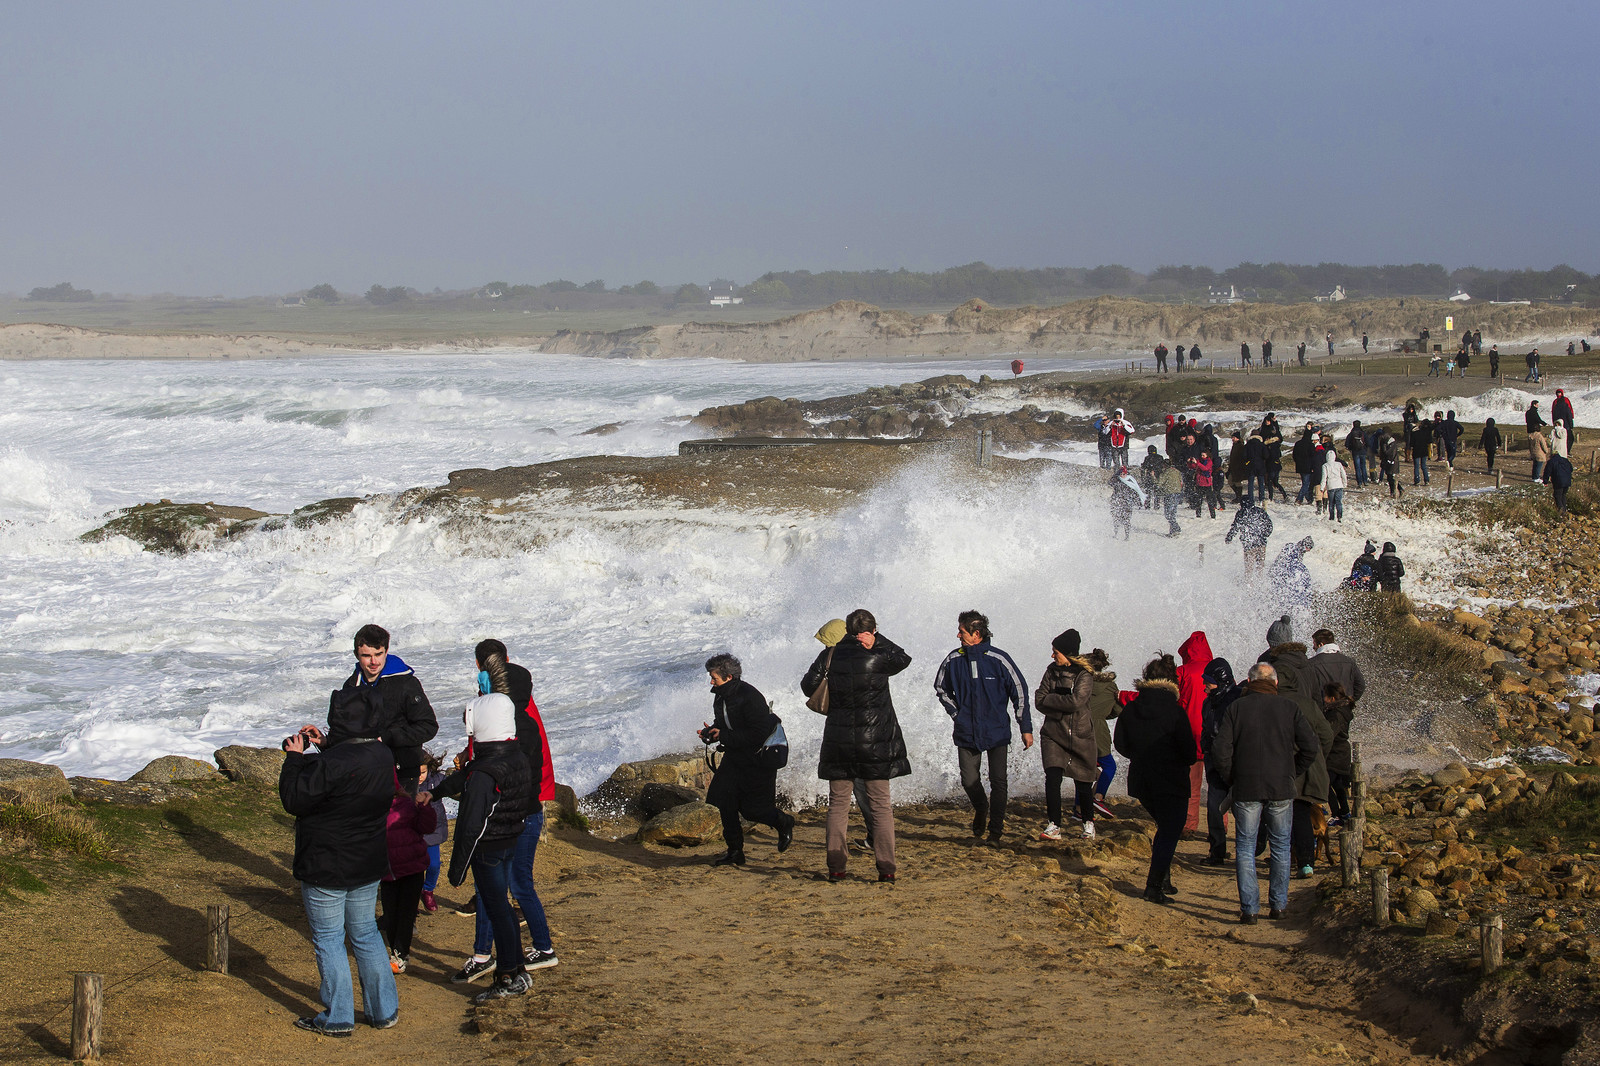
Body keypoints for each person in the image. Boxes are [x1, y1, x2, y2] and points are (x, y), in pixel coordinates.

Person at [278, 687, 400, 1036]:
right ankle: (383, 1011)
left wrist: (295, 757)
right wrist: (328, 743)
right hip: (367, 860)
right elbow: (351, 763)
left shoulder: (332, 764)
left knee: (330, 938)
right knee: (364, 933)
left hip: (326, 863)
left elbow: (294, 798)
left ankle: (338, 1017)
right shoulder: (381, 755)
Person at [449, 641, 560, 973]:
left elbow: (502, 768)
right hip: (519, 811)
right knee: (494, 886)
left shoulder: (514, 725)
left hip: (512, 815)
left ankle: (532, 950)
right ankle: (486, 954)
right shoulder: (520, 716)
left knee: (512, 884)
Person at [430, 681, 535, 1003]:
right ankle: (517, 968)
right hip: (509, 840)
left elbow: (470, 826)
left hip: (487, 849)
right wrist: (433, 793)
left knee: (498, 910)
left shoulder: (484, 774)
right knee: (503, 908)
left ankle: (508, 975)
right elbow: (470, 773)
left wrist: (456, 871)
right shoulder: (513, 756)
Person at [803, 609, 912, 882]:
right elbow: (903, 658)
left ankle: (836, 868)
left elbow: (808, 686)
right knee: (880, 806)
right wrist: (878, 640)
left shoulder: (830, 654)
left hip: (838, 742)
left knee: (838, 805)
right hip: (874, 743)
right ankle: (886, 870)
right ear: (871, 630)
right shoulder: (879, 656)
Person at [1207, 662, 1318, 923]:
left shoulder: (1236, 708)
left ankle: (1250, 910)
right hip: (1281, 785)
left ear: (1249, 680)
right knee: (1280, 845)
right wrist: (1292, 771)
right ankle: (1278, 905)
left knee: (1245, 847)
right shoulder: (1289, 708)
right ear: (1275, 683)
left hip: (1246, 786)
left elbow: (1220, 751)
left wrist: (1233, 777)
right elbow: (1310, 747)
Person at [934, 611, 1034, 843]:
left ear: (976, 634)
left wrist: (1025, 727)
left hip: (997, 730)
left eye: (962, 631)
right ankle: (981, 807)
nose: (957, 634)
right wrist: (957, 714)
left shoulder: (999, 659)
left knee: (999, 782)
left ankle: (995, 832)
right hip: (966, 731)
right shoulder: (953, 659)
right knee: (969, 780)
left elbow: (1019, 692)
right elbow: (940, 688)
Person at [1113, 654, 1196, 905]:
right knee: (1170, 829)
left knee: (1165, 828)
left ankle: (1164, 879)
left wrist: (1140, 756)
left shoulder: (1132, 708)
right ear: (1172, 682)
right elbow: (1190, 753)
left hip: (1142, 779)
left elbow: (1120, 744)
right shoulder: (1175, 711)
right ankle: (1153, 886)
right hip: (1171, 781)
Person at [702, 653, 793, 867]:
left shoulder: (749, 696)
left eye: (714, 677)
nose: (711, 681)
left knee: (754, 810)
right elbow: (724, 722)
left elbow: (758, 734)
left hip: (758, 760)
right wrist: (712, 731)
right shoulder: (721, 694)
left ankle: (783, 822)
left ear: (729, 677)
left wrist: (722, 736)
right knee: (722, 800)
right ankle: (735, 851)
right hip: (735, 757)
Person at [343, 624, 438, 792]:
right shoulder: (351, 686)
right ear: (356, 655)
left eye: (378, 654)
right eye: (366, 656)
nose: (373, 662)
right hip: (363, 769)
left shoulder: (406, 683)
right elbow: (346, 729)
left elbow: (428, 726)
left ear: (386, 651)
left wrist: (386, 737)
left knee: (398, 819)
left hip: (403, 772)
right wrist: (325, 741)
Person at [1033, 629, 1098, 841]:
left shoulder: (1084, 675)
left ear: (1068, 654)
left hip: (1080, 735)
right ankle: (1054, 825)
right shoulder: (1050, 672)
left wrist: (1054, 701)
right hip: (1053, 734)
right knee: (1052, 778)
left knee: (1083, 782)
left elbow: (1077, 702)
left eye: (1056, 652)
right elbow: (1039, 700)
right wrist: (1062, 704)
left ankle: (1088, 823)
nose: (1053, 656)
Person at [380, 770, 438, 974]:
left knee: (406, 914)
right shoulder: (371, 809)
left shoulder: (407, 805)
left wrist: (425, 808)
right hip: (387, 873)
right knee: (389, 915)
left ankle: (400, 954)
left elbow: (428, 827)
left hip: (412, 870)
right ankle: (395, 949)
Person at [1199, 657, 1242, 866]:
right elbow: (1207, 728)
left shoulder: (1238, 699)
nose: (1205, 685)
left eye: (1209, 681)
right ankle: (1217, 851)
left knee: (1244, 807)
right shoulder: (1210, 701)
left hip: (1237, 760)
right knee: (1215, 806)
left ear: (1221, 680)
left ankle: (1248, 849)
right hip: (1215, 760)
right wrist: (1206, 747)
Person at [1175, 631, 1214, 833]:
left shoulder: (1182, 671)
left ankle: (1189, 825)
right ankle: (1220, 828)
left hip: (1190, 734)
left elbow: (1171, 699)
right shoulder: (1217, 670)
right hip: (1214, 734)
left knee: (1192, 785)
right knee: (1218, 787)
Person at [1085, 647, 1121, 818]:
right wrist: (1102, 714)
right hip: (1098, 732)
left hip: (1077, 728)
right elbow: (1118, 710)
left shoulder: (1081, 682)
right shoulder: (1110, 686)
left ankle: (1079, 809)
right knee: (1109, 766)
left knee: (1083, 772)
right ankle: (1098, 798)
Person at [1319, 683, 1356, 826]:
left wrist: (1320, 750)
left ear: (1332, 698)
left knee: (1326, 783)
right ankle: (1345, 811)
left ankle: (1336, 814)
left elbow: (1329, 735)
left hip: (1335, 753)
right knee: (1337, 783)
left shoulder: (1335, 713)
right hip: (1341, 752)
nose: (1324, 699)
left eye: (1325, 696)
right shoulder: (1342, 709)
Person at [418, 755, 448, 915]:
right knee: (414, 869)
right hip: (413, 834)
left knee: (434, 864)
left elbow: (452, 784)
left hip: (432, 832)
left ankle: (428, 890)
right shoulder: (405, 783)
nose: (419, 777)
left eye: (422, 772)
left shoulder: (436, 780)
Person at [1225, 496, 1273, 574]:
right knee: (1260, 566)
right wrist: (1264, 535)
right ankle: (1260, 583)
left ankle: (1249, 584)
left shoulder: (1241, 513)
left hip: (1249, 545)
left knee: (1249, 569)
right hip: (1262, 544)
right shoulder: (1260, 511)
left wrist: (1229, 537)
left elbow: (1235, 527)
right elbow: (1269, 525)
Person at [1269, 536, 1315, 609]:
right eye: (1308, 548)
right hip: (1279, 574)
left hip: (1281, 574)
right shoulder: (1292, 548)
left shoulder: (1298, 550)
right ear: (1305, 545)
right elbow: (1284, 563)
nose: (1308, 550)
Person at [1109, 466, 1143, 539]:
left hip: (1127, 503)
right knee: (1116, 519)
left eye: (1124, 474)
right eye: (1120, 474)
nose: (1122, 475)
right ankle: (1116, 533)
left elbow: (1136, 492)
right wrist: (1116, 474)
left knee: (1126, 520)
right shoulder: (1117, 480)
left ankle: (1127, 535)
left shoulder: (1130, 482)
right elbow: (1110, 482)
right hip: (1117, 502)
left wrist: (1139, 502)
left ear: (1126, 474)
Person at [1155, 454, 1183, 536]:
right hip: (1177, 493)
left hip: (1169, 493)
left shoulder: (1165, 473)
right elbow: (1181, 482)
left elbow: (1158, 484)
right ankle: (1172, 532)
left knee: (1167, 514)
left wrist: (1153, 476)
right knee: (1173, 513)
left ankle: (1176, 528)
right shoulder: (1177, 471)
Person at [1545, 449, 1575, 519]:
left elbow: (1547, 472)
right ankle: (1564, 509)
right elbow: (1571, 469)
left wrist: (1545, 481)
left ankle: (1561, 511)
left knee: (1557, 495)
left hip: (1558, 481)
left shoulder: (1551, 462)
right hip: (1567, 481)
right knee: (1563, 495)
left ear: (1552, 455)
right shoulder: (1565, 460)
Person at [1293, 427, 1318, 504]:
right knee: (1306, 484)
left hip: (1300, 466)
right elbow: (1313, 457)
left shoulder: (1297, 443)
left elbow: (1294, 455)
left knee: (1305, 483)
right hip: (1308, 467)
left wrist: (1297, 462)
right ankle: (1299, 499)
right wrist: (1314, 467)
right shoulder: (1310, 445)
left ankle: (1309, 499)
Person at [1322, 445, 1348, 523]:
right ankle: (1339, 516)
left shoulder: (1325, 466)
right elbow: (1343, 474)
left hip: (1331, 486)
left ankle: (1332, 517)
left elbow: (1324, 477)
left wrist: (1322, 487)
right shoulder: (1339, 464)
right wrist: (1344, 483)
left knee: (1331, 503)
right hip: (1339, 485)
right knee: (1338, 502)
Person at [1410, 414, 1433, 486]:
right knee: (1424, 466)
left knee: (1416, 466)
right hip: (1424, 450)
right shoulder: (1427, 433)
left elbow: (1411, 443)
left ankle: (1417, 480)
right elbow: (1429, 441)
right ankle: (1426, 480)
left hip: (1416, 451)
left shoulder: (1415, 432)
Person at [1344, 420, 1369, 487]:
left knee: (1357, 468)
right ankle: (1365, 481)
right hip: (1363, 451)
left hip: (1355, 452)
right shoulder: (1363, 433)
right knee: (1363, 466)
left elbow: (1346, 444)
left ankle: (1359, 483)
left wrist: (1351, 449)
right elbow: (1368, 442)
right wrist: (1365, 448)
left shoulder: (1351, 433)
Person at [1377, 428, 1399, 497]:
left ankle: (1394, 492)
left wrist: (1383, 447)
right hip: (1388, 461)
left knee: (1391, 477)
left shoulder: (1391, 443)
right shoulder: (1386, 441)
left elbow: (1387, 452)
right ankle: (1394, 491)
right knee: (1389, 477)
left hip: (1392, 462)